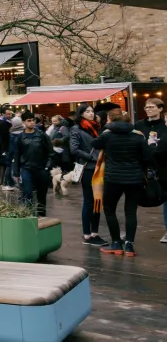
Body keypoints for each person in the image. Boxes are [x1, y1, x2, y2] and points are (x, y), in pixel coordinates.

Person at [97, 111, 156, 256]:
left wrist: (106, 130)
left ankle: (116, 243)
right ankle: (129, 245)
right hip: (134, 178)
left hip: (113, 178)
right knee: (130, 211)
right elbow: (148, 157)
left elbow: (95, 144)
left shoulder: (107, 135)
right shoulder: (138, 136)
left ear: (112, 121)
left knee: (109, 209)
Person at [133, 97, 167, 244]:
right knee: (134, 198)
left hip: (162, 166)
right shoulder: (139, 124)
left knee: (165, 197)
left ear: (160, 109)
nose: (148, 110)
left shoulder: (164, 125)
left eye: (152, 107)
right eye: (146, 107)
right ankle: (130, 231)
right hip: (142, 167)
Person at [70, 104, 105, 246]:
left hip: (100, 167)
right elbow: (74, 149)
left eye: (92, 111)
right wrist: (90, 157)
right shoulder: (77, 128)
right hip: (88, 167)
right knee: (89, 201)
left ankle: (95, 233)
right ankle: (87, 234)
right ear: (81, 114)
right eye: (87, 111)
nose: (91, 113)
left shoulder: (97, 127)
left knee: (98, 200)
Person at [14, 111, 53, 217]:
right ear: (23, 122)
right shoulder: (20, 138)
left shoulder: (42, 135)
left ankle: (42, 215)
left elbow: (50, 152)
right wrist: (16, 172)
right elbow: (17, 155)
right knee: (27, 193)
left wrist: (47, 167)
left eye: (33, 120)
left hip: (41, 168)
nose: (32, 122)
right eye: (29, 120)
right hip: (26, 168)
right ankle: (29, 215)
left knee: (42, 195)